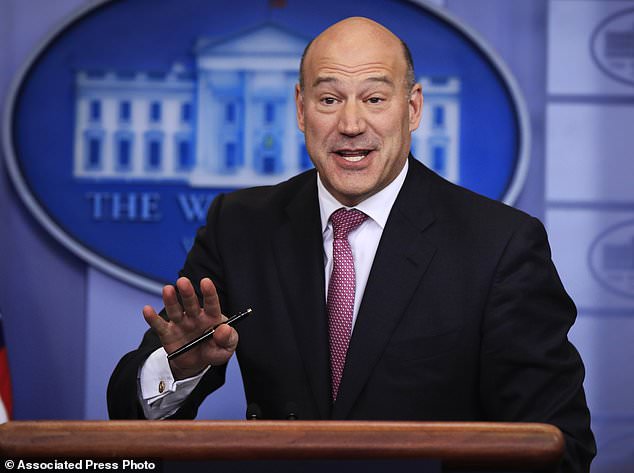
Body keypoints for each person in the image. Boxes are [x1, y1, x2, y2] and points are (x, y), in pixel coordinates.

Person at [108, 17, 596, 472]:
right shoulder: (239, 226)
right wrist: (180, 366)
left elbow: (558, 443)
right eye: (329, 100)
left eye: (375, 99)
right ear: (301, 109)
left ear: (413, 108)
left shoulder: (500, 245)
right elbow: (130, 413)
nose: (351, 124)